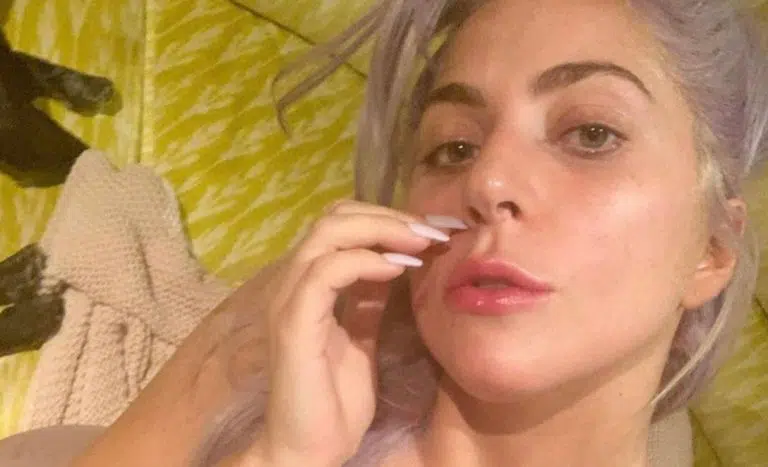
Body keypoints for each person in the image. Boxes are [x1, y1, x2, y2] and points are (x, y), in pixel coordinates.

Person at [2, 0, 767, 465]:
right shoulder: (270, 383)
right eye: (454, 147)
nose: (487, 180)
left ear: (712, 248)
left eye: (591, 133)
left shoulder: (672, 440)